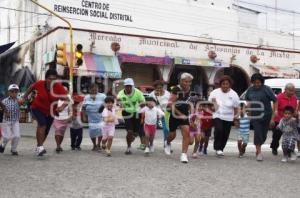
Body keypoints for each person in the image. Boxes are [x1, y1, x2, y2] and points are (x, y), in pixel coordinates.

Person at [22, 69, 69, 156]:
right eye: (50, 78)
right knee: (42, 124)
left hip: (50, 111)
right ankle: (40, 146)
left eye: (54, 79)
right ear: (46, 78)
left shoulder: (58, 87)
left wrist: (61, 107)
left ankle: (39, 147)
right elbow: (31, 87)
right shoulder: (40, 83)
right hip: (37, 108)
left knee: (46, 130)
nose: (52, 81)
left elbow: (67, 100)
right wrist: (24, 97)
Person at [245, 73, 277, 161]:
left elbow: (275, 101)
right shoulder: (250, 90)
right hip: (255, 116)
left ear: (262, 82)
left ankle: (258, 145)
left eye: (258, 83)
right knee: (258, 134)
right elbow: (248, 100)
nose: (256, 84)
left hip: (267, 115)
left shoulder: (267, 89)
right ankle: (258, 152)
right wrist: (248, 110)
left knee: (263, 136)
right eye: (254, 83)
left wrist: (273, 116)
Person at [165, 72, 196, 163]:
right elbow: (170, 105)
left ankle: (183, 155)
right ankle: (167, 143)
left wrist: (192, 115)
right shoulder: (176, 89)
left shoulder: (190, 90)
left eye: (189, 82)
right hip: (174, 114)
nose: (187, 84)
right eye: (186, 82)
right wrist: (179, 114)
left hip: (185, 115)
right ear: (181, 81)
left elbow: (190, 104)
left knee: (186, 133)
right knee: (172, 135)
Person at [209, 75, 239, 157]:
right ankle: (217, 147)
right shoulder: (214, 92)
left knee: (225, 134)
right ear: (220, 84)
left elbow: (236, 108)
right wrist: (213, 104)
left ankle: (221, 149)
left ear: (230, 85)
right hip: (217, 115)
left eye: (227, 84)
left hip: (229, 117)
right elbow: (210, 106)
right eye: (223, 84)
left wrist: (236, 118)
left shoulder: (234, 94)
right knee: (219, 129)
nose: (225, 85)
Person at [117, 78, 145, 155]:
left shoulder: (138, 92)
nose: (128, 88)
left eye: (130, 86)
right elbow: (118, 100)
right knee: (129, 131)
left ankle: (133, 136)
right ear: (124, 86)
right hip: (127, 112)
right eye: (127, 86)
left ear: (132, 86)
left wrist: (141, 104)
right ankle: (128, 147)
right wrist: (119, 103)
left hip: (136, 113)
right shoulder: (121, 93)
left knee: (136, 132)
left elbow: (143, 102)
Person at [270, 83, 297, 156]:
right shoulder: (279, 97)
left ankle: (289, 150)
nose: (292, 92)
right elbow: (274, 109)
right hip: (279, 119)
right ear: (285, 90)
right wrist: (272, 119)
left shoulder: (294, 98)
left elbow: (294, 110)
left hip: (290, 121)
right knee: (276, 136)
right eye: (290, 90)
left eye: (293, 91)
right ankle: (274, 147)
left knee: (289, 137)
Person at [82, 84, 106, 151]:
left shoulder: (102, 96)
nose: (94, 91)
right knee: (92, 132)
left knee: (101, 131)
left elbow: (107, 103)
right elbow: (83, 108)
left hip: (101, 117)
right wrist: (84, 116)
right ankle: (94, 145)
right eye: (92, 90)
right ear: (89, 90)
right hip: (91, 118)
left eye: (96, 90)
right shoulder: (86, 97)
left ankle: (98, 144)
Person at [0, 84, 22, 155]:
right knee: (6, 136)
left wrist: (24, 101)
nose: (14, 93)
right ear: (9, 92)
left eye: (16, 92)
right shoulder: (5, 101)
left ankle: (13, 149)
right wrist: (5, 112)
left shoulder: (19, 100)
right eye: (12, 91)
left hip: (15, 121)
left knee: (17, 136)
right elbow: (1, 108)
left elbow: (25, 102)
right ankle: (3, 145)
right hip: (6, 121)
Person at [149, 80, 171, 147]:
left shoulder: (167, 94)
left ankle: (166, 143)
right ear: (154, 88)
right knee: (152, 129)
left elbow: (170, 103)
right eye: (157, 88)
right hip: (155, 113)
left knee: (166, 129)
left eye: (160, 87)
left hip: (165, 113)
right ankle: (151, 143)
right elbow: (150, 104)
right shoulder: (152, 94)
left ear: (163, 87)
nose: (159, 89)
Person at [53, 86, 72, 153]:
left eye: (65, 91)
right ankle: (58, 145)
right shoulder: (56, 97)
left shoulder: (68, 98)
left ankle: (59, 145)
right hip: (57, 117)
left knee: (62, 133)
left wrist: (70, 117)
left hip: (65, 118)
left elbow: (70, 108)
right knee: (57, 131)